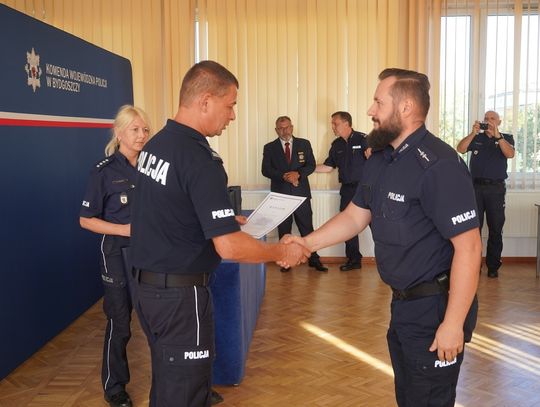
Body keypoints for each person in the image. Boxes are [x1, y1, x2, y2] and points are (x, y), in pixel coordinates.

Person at [284, 68, 481, 407]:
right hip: (403, 305)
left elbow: (470, 247)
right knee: (409, 397)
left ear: (405, 108)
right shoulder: (381, 159)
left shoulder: (439, 164)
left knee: (429, 399)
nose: (370, 111)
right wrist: (306, 243)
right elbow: (354, 216)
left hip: (436, 307)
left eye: (378, 102)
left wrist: (453, 323)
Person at [129, 60, 309, 407]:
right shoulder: (200, 160)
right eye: (231, 105)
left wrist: (223, 220)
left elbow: (169, 209)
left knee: (167, 385)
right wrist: (279, 253)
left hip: (148, 288)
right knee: (187, 394)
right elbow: (228, 248)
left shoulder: (156, 146)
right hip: (181, 297)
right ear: (206, 101)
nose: (233, 116)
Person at [80, 105, 151, 407]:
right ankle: (115, 388)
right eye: (135, 129)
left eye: (145, 129)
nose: (142, 135)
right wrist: (124, 230)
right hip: (117, 255)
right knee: (120, 322)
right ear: (119, 133)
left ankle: (176, 382)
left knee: (157, 321)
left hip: (150, 255)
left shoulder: (152, 168)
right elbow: (86, 219)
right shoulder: (104, 172)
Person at [261, 116, 328, 272]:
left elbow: (311, 165)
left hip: (301, 193)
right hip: (281, 195)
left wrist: (297, 174)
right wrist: (284, 176)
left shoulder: (304, 144)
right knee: (284, 230)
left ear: (292, 127)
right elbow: (266, 170)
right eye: (281, 128)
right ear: (276, 130)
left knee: (307, 228)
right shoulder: (269, 147)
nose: (284, 131)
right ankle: (285, 260)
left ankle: (314, 259)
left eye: (287, 127)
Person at [456, 111, 515, 278]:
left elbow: (510, 154)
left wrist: (498, 137)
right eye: (486, 119)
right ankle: (474, 265)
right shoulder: (477, 138)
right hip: (475, 189)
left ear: (499, 122)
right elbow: (460, 149)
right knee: (474, 229)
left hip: (495, 190)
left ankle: (493, 267)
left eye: (492, 119)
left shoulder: (506, 138)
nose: (488, 122)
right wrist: (473, 133)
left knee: (496, 229)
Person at [315, 111, 370, 271]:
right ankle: (354, 260)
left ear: (347, 124)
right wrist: (307, 169)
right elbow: (328, 167)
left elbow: (375, 160)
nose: (332, 126)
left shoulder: (364, 139)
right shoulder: (336, 145)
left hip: (365, 188)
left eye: (335, 123)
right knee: (348, 225)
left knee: (376, 224)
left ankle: (387, 261)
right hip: (347, 189)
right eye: (332, 123)